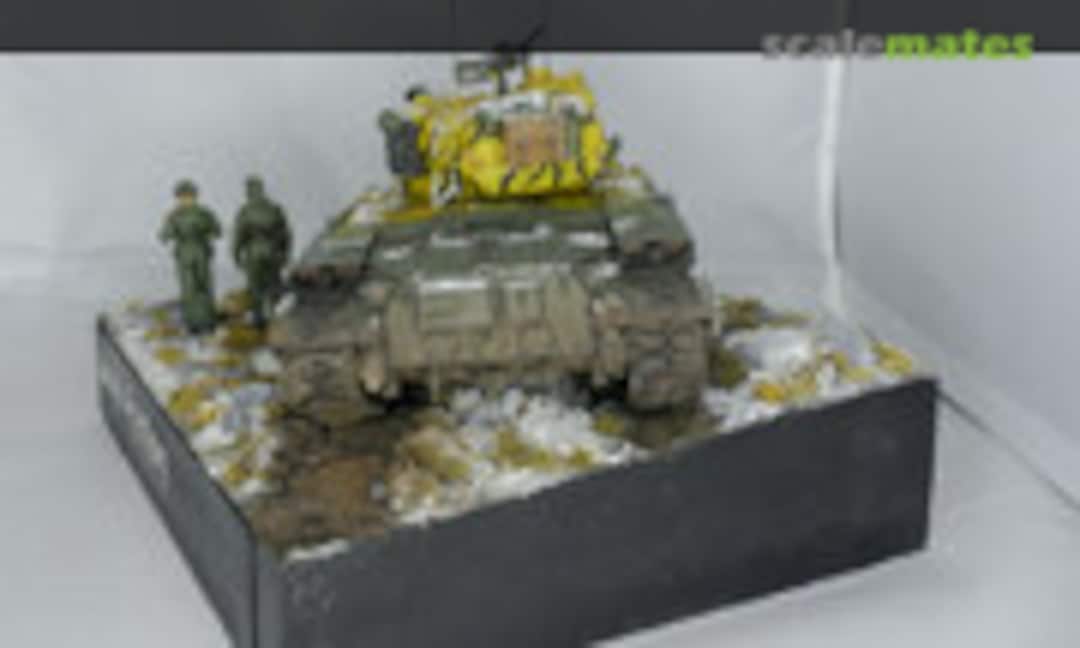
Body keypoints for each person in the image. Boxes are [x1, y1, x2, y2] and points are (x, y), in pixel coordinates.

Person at [159, 180, 221, 334]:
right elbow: (217, 231)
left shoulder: (179, 215)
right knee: (193, 289)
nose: (185, 200)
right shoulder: (202, 213)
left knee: (199, 288)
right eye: (183, 197)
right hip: (194, 253)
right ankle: (198, 323)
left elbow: (164, 236)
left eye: (187, 196)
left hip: (192, 253)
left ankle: (203, 323)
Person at [232, 176, 292, 327]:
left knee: (256, 288)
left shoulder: (245, 211)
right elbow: (285, 235)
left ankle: (259, 320)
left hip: (254, 253)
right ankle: (274, 314)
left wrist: (236, 256)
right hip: (273, 251)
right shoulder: (275, 209)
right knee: (273, 284)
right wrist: (285, 254)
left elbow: (238, 236)